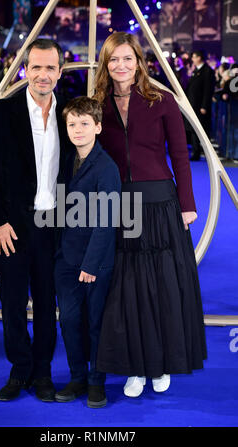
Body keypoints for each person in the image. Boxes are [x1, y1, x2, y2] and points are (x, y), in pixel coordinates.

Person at [94, 32, 207, 398]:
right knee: (125, 291)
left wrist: (187, 204)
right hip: (119, 205)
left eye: (127, 59)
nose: (121, 66)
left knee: (161, 288)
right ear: (106, 64)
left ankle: (160, 364)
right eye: (114, 60)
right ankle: (134, 368)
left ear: (139, 62)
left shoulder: (163, 100)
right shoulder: (98, 104)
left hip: (160, 203)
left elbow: (180, 154)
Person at [0, 39, 71, 402]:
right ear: (24, 70)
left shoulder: (69, 116)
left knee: (48, 303)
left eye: (50, 68)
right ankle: (19, 369)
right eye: (36, 67)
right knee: (12, 301)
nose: (43, 75)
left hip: (54, 228)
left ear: (60, 72)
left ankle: (43, 372)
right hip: (11, 228)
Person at [54, 96, 121, 408]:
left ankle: (97, 381)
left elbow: (107, 222)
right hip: (66, 259)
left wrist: (91, 264)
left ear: (97, 126)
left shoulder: (106, 168)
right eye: (72, 124)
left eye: (84, 123)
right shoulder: (66, 160)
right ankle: (77, 376)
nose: (77, 129)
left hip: (95, 262)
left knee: (94, 323)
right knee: (68, 320)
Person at [185, 49, 215, 160]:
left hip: (200, 107)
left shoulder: (207, 71)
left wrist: (204, 106)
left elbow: (208, 90)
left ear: (199, 58)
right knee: (194, 130)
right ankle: (195, 152)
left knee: (202, 131)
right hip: (193, 105)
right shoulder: (196, 70)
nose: (192, 59)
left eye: (193, 57)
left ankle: (206, 153)